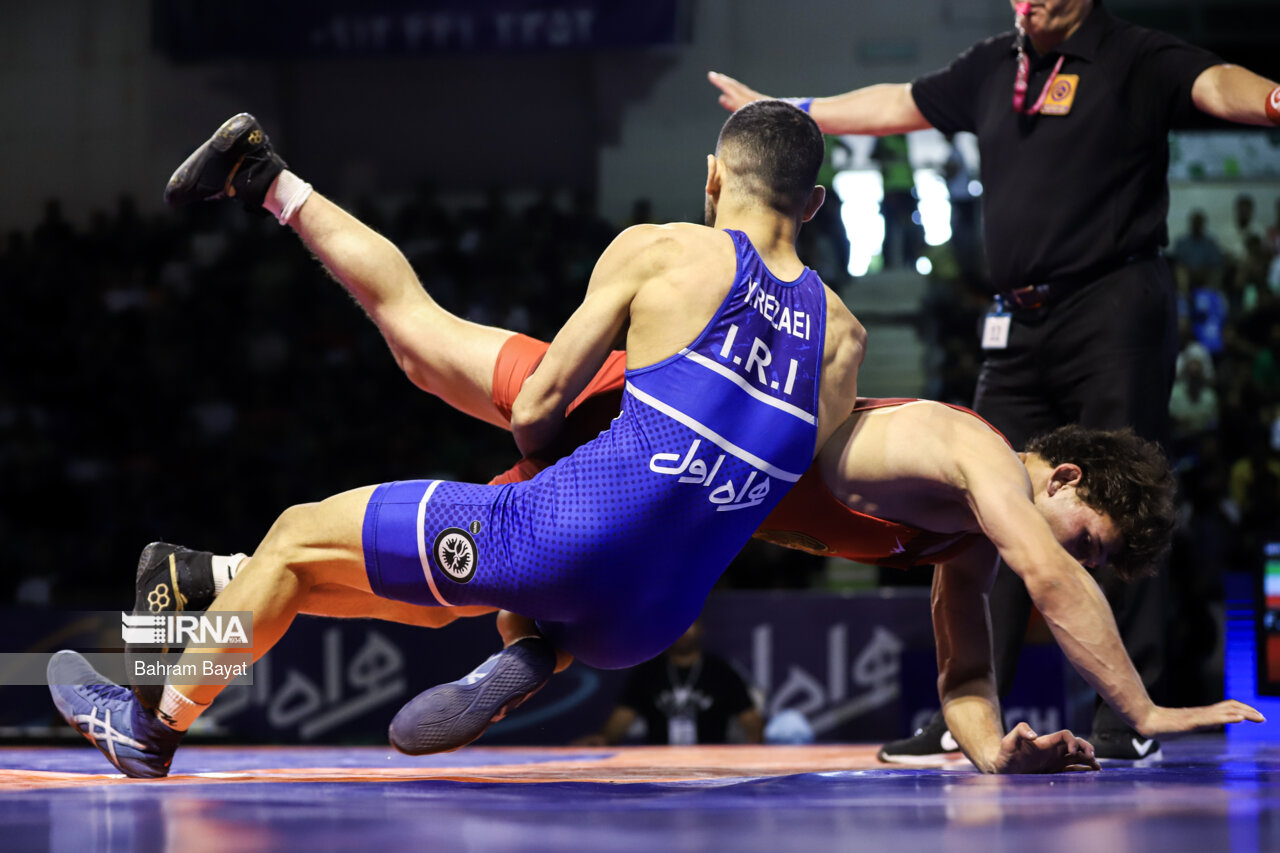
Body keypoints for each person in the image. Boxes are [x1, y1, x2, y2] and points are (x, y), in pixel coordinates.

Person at [66, 112, 1261, 779]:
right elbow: (1026, 570)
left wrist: (1041, 737)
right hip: (661, 581)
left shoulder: (672, 254)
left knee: (398, 379)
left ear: (709, 182)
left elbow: (984, 648)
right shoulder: (884, 378)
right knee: (401, 548)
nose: (1071, 561)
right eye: (1086, 540)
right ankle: (463, 627)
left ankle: (159, 706)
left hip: (614, 454)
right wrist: (1131, 710)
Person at [47, 100, 867, 778]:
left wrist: (534, 465)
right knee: (385, 582)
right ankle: (523, 640)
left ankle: (151, 727)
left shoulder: (665, 251)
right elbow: (810, 501)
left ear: (714, 177)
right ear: (814, 206)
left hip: (567, 525)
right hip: (653, 616)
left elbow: (538, 404)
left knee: (296, 539)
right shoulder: (842, 340)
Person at [708, 0, 1280, 762]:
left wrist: (1274, 100)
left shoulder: (1131, 55)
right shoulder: (992, 66)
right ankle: (1048, 713)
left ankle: (1123, 721)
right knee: (1006, 514)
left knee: (1116, 508)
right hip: (1013, 317)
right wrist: (788, 113)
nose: (1026, 3)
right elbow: (897, 103)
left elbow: (1215, 83)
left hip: (1111, 300)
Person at [574, 619, 764, 746]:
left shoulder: (721, 671)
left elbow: (750, 720)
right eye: (676, 625)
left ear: (700, 628)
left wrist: (756, 746)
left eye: (689, 623)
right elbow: (623, 717)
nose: (683, 630)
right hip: (660, 761)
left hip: (712, 760)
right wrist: (603, 739)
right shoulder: (649, 671)